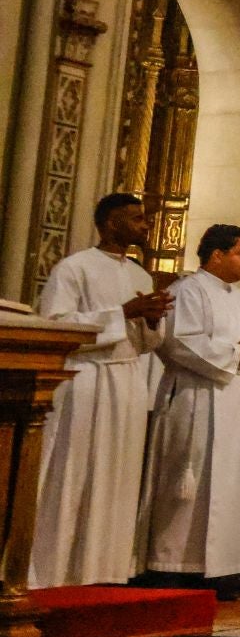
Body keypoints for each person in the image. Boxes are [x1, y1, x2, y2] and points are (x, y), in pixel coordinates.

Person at [29, 192, 170, 589]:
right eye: (135, 217)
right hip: (86, 379)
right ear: (109, 224)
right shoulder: (74, 268)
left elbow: (148, 345)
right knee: (73, 473)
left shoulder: (141, 276)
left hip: (127, 380)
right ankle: (52, 572)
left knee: (118, 478)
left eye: (144, 218)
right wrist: (122, 313)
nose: (144, 224)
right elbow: (55, 325)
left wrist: (153, 321)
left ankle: (104, 570)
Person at [142, 225, 240, 598]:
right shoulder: (187, 290)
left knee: (228, 485)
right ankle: (174, 566)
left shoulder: (239, 299)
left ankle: (222, 569)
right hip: (196, 398)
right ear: (216, 255)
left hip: (233, 401)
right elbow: (178, 341)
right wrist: (235, 354)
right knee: (188, 483)